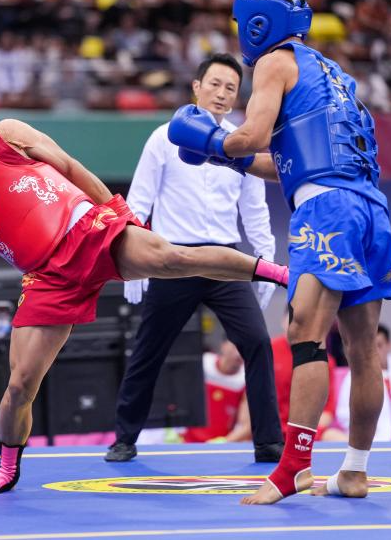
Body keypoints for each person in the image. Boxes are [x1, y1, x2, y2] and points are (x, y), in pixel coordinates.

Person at [0, 76, 289, 495]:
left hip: (87, 229)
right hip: (46, 276)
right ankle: (6, 471)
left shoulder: (4, 134)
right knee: (19, 385)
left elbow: (70, 167)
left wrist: (119, 214)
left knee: (173, 257)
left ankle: (284, 274)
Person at [170, 0, 391, 504]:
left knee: (305, 336)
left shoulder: (275, 62)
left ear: (259, 25)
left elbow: (250, 136)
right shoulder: (331, 73)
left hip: (328, 211)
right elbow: (291, 165)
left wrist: (210, 138)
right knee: (363, 348)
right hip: (369, 207)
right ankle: (355, 471)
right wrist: (223, 156)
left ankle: (294, 468)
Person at [105, 53, 283, 464]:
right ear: (197, 87)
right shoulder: (163, 138)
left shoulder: (242, 143)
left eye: (230, 88)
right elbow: (138, 202)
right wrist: (131, 263)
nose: (221, 93)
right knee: (149, 349)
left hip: (225, 261)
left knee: (258, 343)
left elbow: (254, 209)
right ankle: (124, 438)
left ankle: (268, 442)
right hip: (173, 259)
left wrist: (265, 262)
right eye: (215, 84)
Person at [271, 327, 346, 442]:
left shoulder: (326, 361)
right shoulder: (269, 350)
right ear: (284, 322)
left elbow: (327, 410)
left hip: (308, 430)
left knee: (339, 438)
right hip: (273, 429)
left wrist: (306, 433)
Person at [184, 341, 253, 444]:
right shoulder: (203, 363)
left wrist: (223, 442)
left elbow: (246, 426)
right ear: (223, 346)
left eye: (245, 349)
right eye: (235, 347)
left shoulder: (247, 379)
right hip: (187, 440)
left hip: (218, 444)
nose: (238, 353)